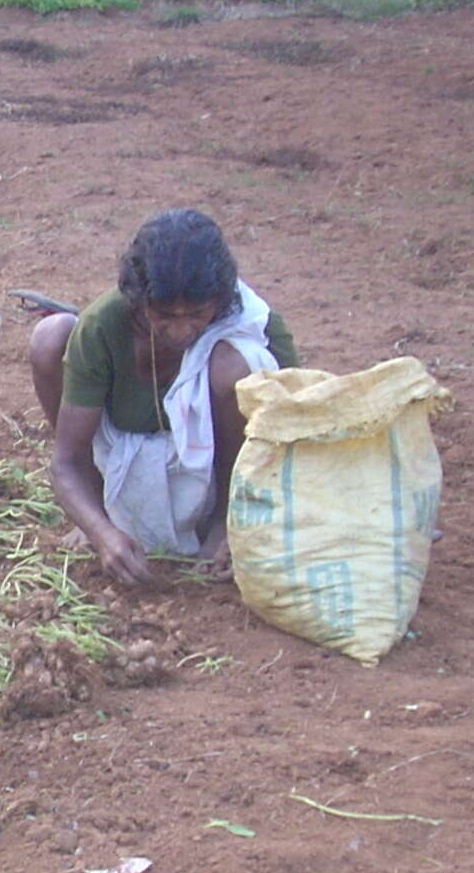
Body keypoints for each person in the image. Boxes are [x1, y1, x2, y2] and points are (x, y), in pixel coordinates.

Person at [26, 208, 297, 588]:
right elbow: (65, 462)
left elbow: (290, 431)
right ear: (138, 301)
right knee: (51, 336)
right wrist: (102, 533)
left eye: (197, 315)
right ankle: (99, 510)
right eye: (164, 315)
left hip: (218, 479)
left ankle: (221, 524)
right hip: (117, 463)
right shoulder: (105, 326)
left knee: (236, 369)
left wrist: (244, 522)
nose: (182, 330)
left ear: (219, 300)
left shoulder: (251, 322)